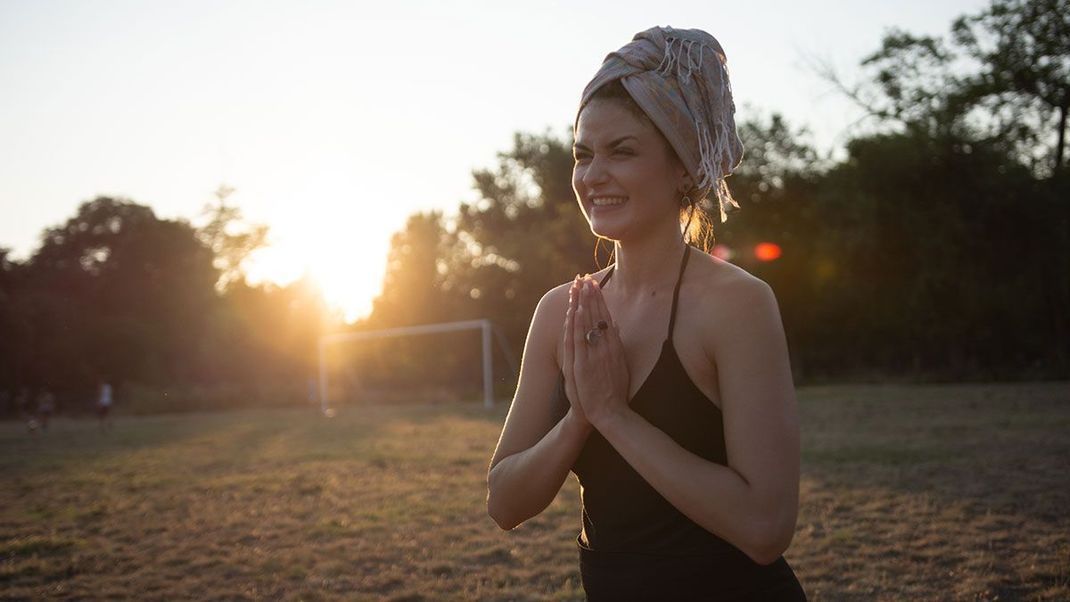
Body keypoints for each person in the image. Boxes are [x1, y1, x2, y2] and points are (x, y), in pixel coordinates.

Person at [487, 26, 805, 600]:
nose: (592, 175)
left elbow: (765, 529)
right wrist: (579, 419)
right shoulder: (560, 309)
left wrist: (616, 417)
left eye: (623, 152)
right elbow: (505, 502)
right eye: (583, 155)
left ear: (683, 166)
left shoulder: (736, 304)